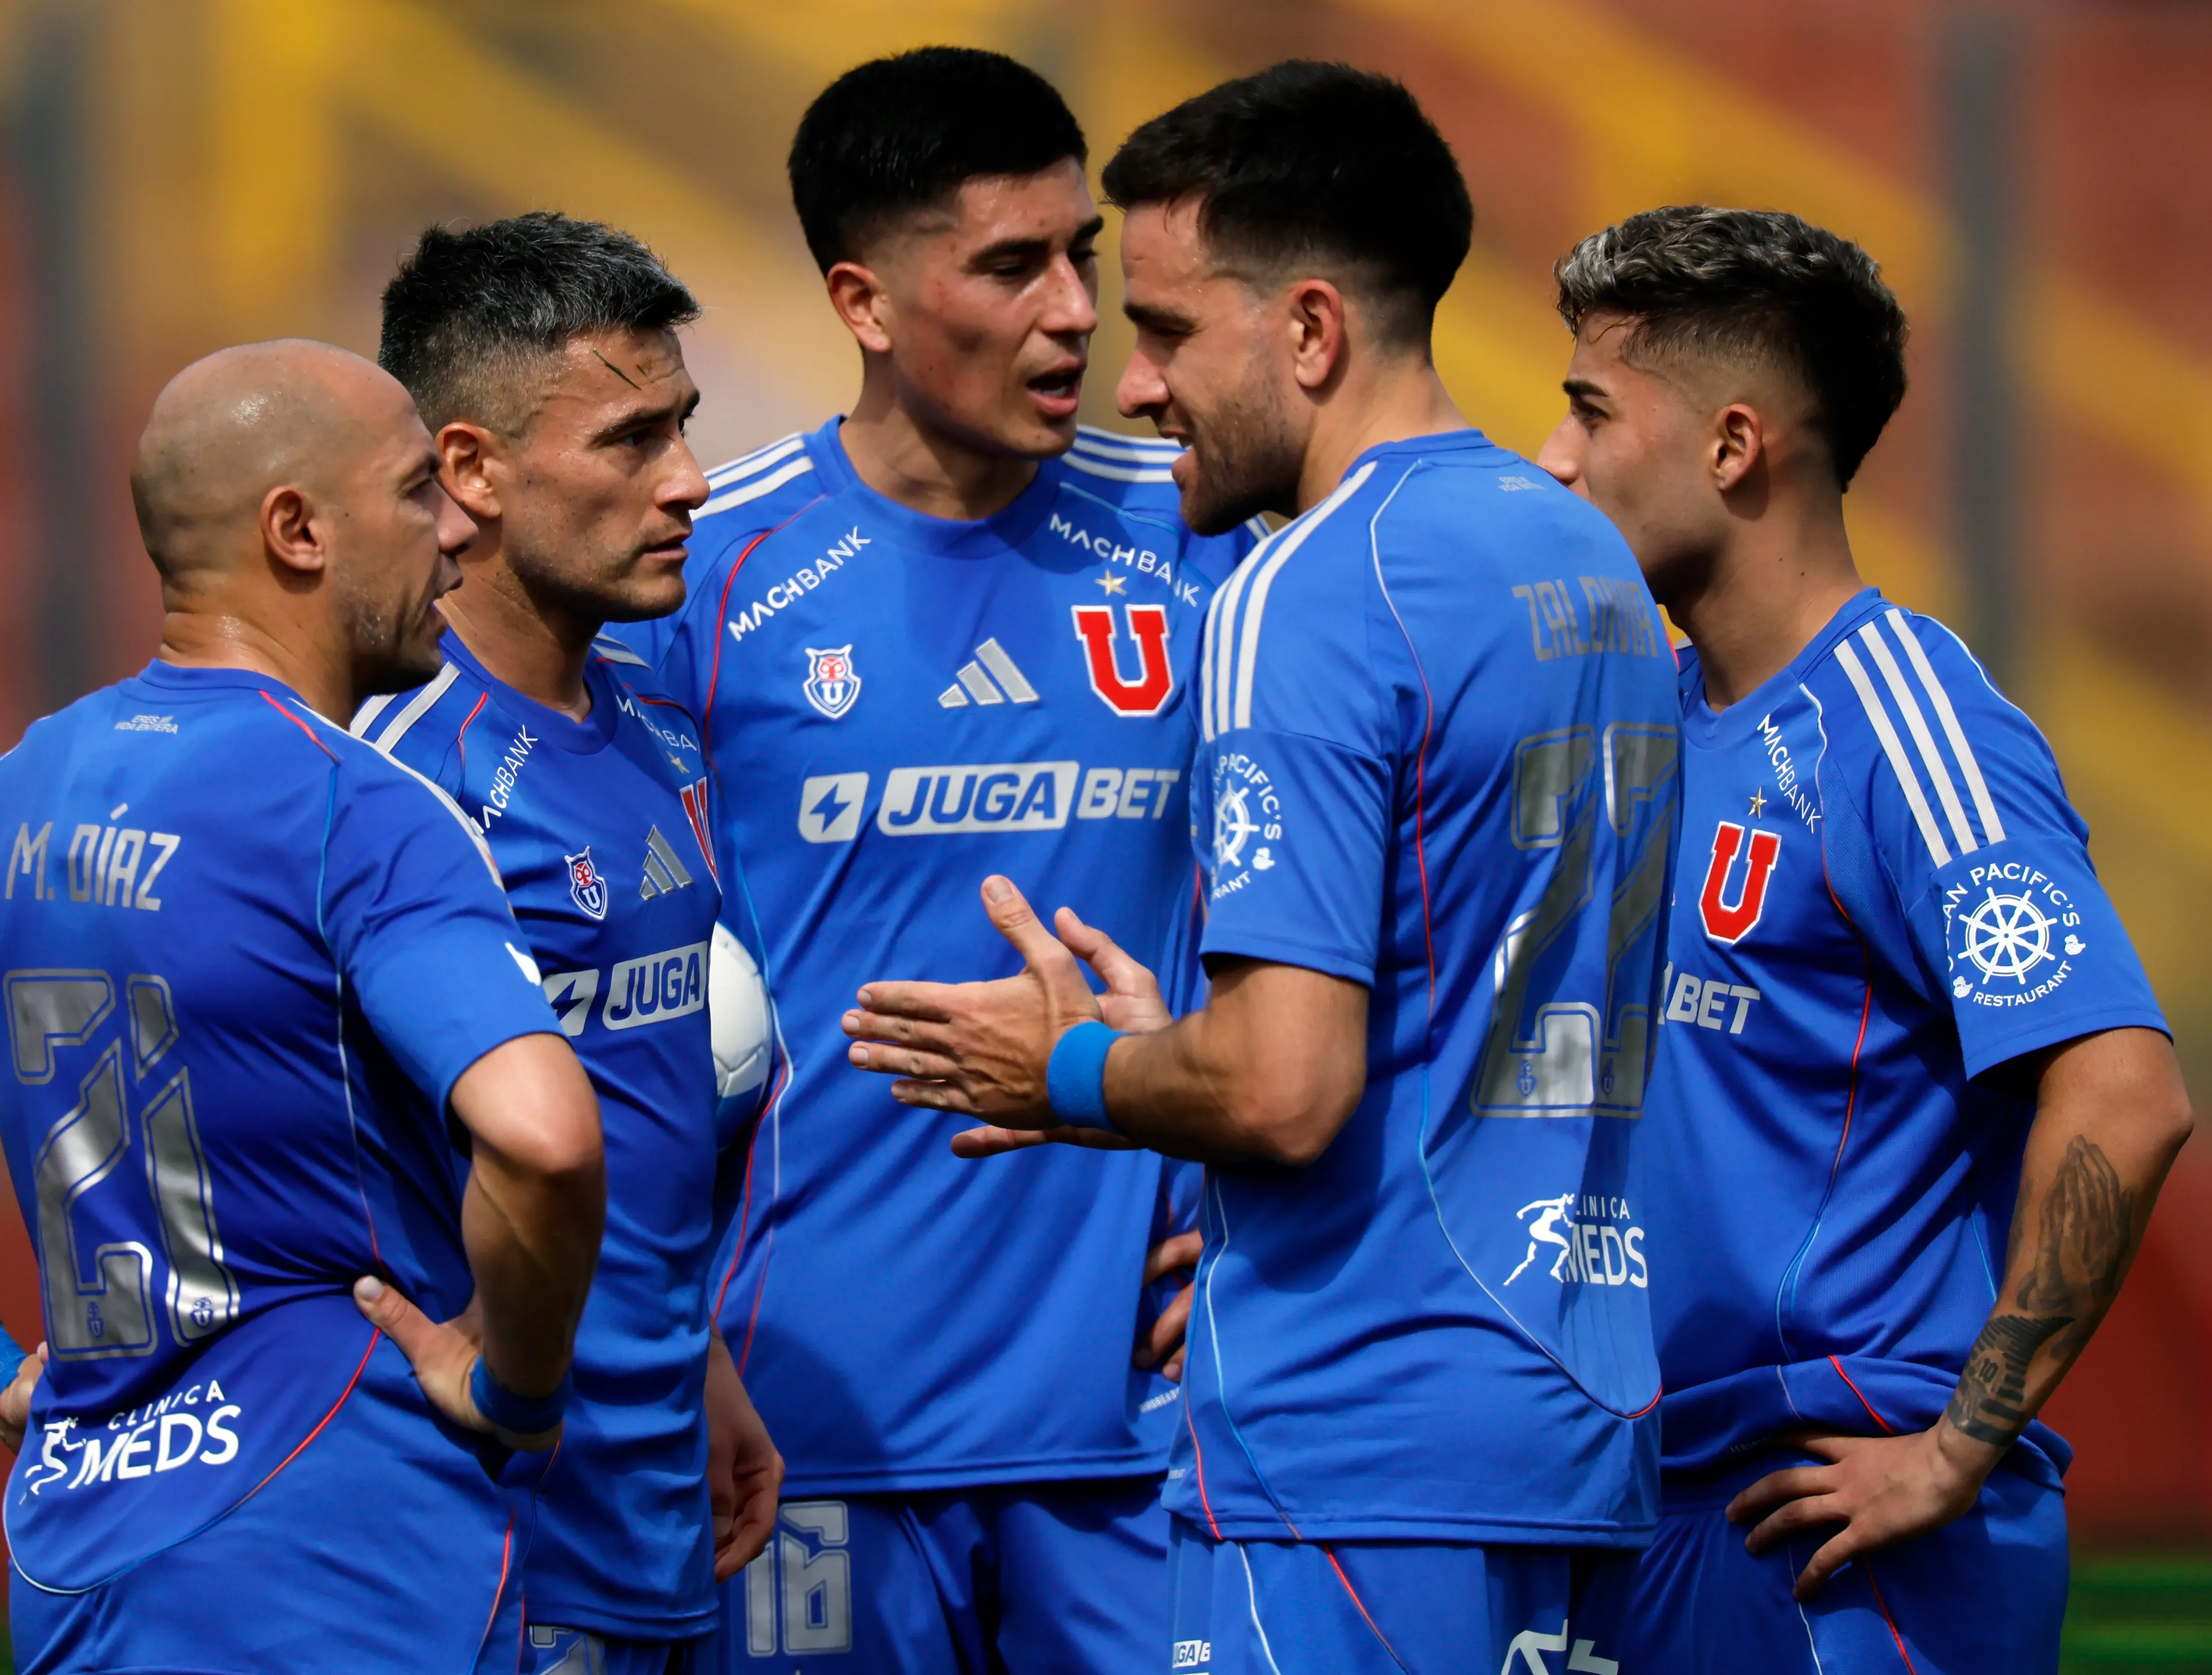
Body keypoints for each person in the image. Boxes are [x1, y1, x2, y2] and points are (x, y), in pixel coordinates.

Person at [842, 63, 1676, 1671]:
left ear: (1307, 332)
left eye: (1162, 328)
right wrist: (1178, 1044)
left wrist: (1067, 1066)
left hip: (1351, 1445)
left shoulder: (1301, 588)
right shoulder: (1581, 551)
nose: (1132, 385)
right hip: (1569, 1429)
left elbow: (1285, 1090)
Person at [0, 340, 606, 1675]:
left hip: (86, 1553)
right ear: (297, 531)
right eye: (418, 490)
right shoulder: (357, 808)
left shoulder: (5, 801)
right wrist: (517, 1387)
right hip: (340, 1545)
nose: (456, 537)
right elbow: (543, 1137)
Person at [608, 46, 1253, 1675]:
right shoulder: (705, 580)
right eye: (1007, 266)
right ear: (865, 300)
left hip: (1149, 1430)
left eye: (1081, 260)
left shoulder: (1206, 549)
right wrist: (664, 1338)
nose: (1071, 315)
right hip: (806, 1425)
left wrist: (1280, 1224)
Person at [1536, 206, 2192, 1673]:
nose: (1552, 457)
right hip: (1667, 1497)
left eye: (1587, 408)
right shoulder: (1643, 708)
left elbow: (2126, 1091)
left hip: (1852, 1527)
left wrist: (1958, 1445)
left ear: (1730, 445)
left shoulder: (1909, 724)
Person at [360, 210, 781, 1675]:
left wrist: (698, 1352)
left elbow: (645, 1112)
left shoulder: (659, 728)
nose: (688, 481)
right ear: (468, 469)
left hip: (662, 1503)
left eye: (686, 425)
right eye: (629, 440)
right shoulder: (393, 774)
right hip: (482, 1543)